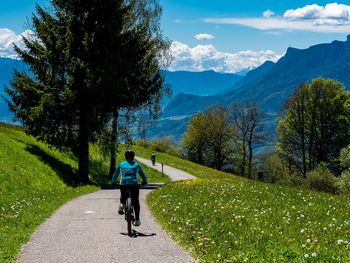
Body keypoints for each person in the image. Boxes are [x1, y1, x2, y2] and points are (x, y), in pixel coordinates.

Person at [112, 150, 147, 226]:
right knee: (136, 201)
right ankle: (137, 220)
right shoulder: (136, 165)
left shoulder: (121, 164)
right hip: (134, 184)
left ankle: (122, 204)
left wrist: (113, 182)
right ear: (133, 157)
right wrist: (144, 181)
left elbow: (115, 175)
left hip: (124, 184)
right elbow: (142, 175)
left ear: (125, 157)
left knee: (123, 195)